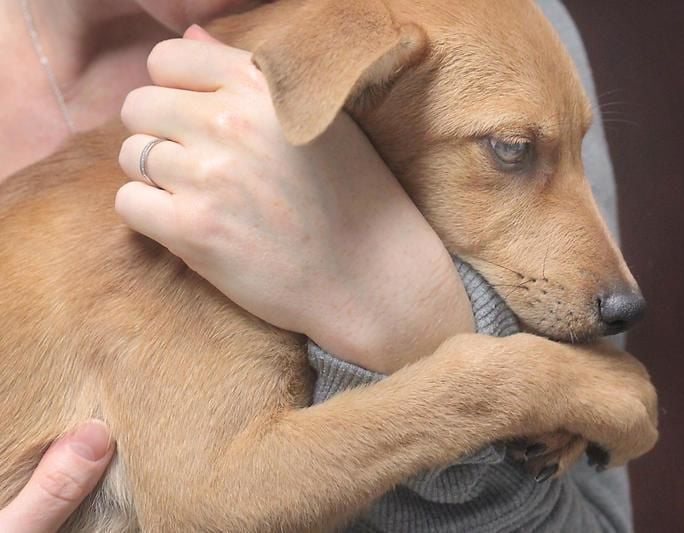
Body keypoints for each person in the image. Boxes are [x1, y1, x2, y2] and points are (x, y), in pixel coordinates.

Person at [0, 0, 633, 531]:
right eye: (514, 150)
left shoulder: (489, 29)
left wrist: (412, 316)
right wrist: (513, 385)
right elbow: (213, 496)